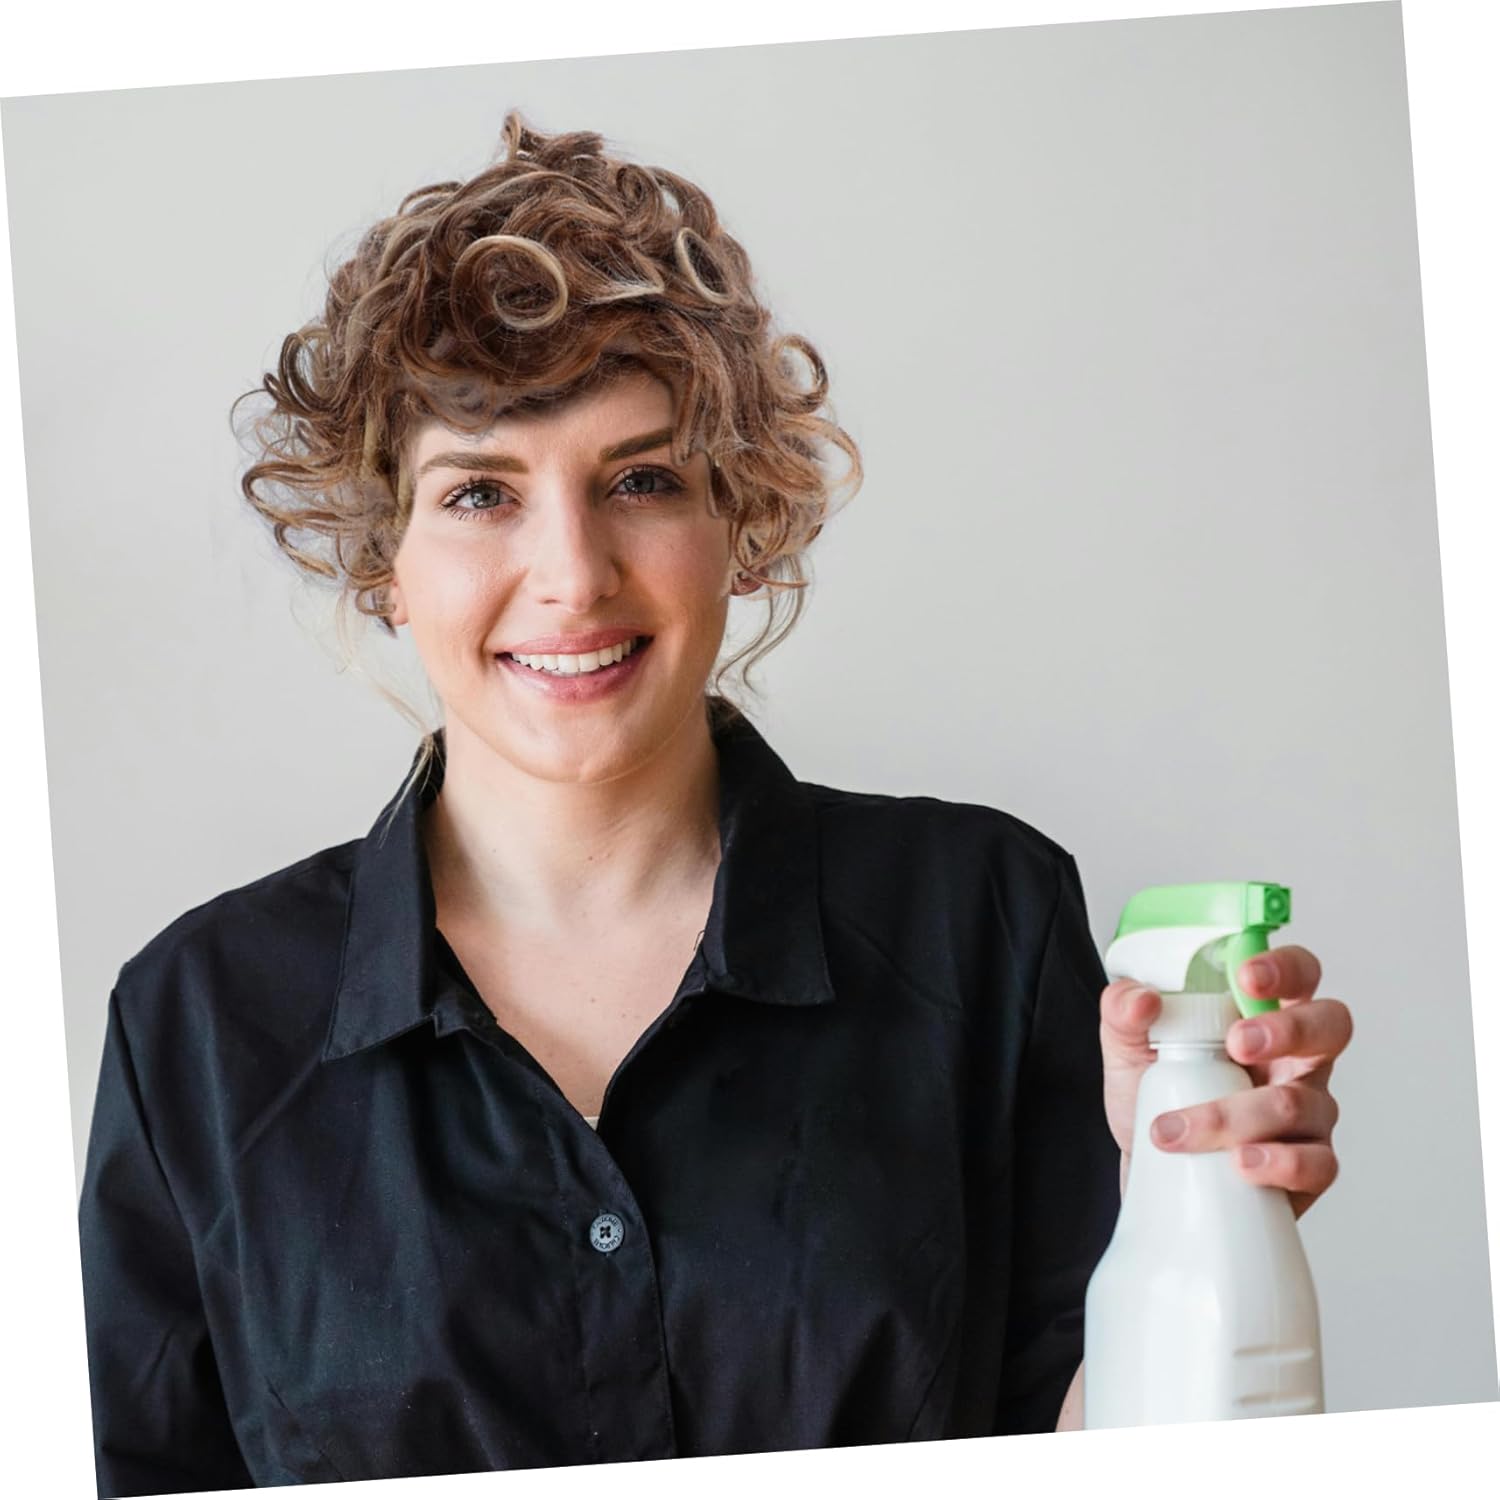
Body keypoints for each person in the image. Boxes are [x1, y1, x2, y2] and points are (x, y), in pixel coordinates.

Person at [77, 112, 1352, 1495]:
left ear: (741, 521)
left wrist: (1185, 1209)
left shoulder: (983, 919)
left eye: (641, 479)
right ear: (385, 559)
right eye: (481, 494)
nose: (573, 576)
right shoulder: (197, 1024)